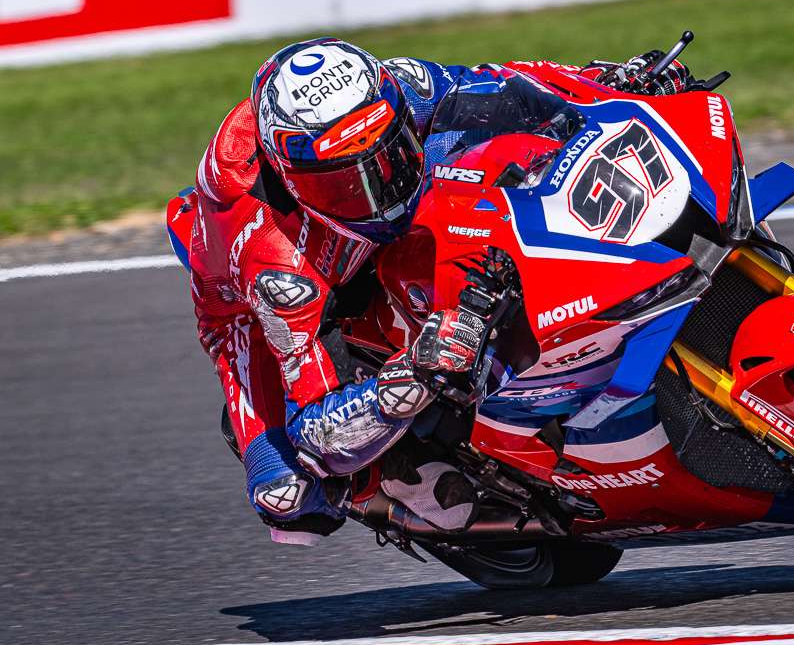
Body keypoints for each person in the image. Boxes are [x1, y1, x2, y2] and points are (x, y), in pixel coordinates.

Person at [171, 37, 693, 545]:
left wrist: (605, 81)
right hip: (264, 306)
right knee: (288, 490)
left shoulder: (390, 85)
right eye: (344, 184)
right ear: (294, 181)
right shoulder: (275, 263)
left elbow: (502, 85)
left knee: (509, 151)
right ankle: (395, 478)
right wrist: (413, 376)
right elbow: (317, 430)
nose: (377, 192)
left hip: (375, 217)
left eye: (387, 155)